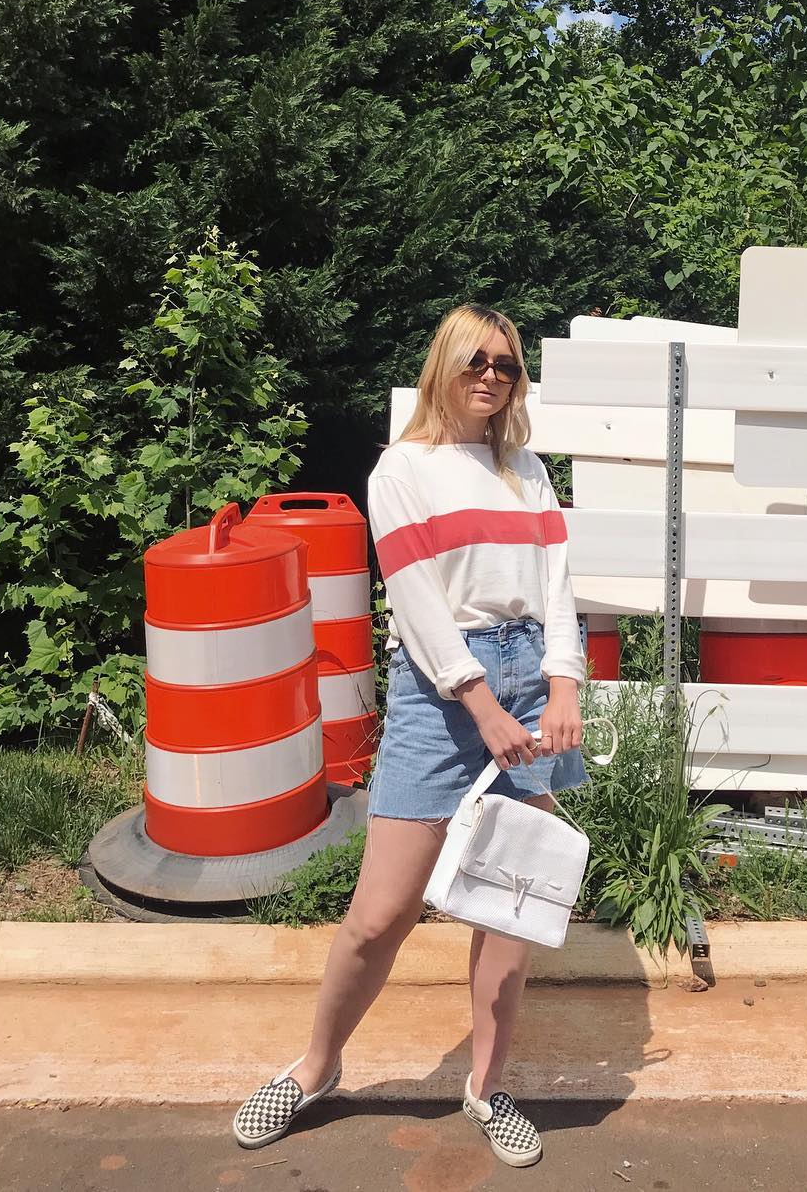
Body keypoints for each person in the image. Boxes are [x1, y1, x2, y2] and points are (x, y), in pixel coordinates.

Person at [233, 304, 589, 1168]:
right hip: (445, 696)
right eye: (477, 360)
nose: (493, 376)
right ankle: (317, 1069)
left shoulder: (527, 471)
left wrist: (565, 684)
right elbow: (419, 604)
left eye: (507, 364)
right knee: (381, 913)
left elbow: (557, 587)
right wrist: (482, 706)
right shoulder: (403, 469)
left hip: (530, 679)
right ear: (444, 365)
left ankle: (487, 1087)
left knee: (509, 911)